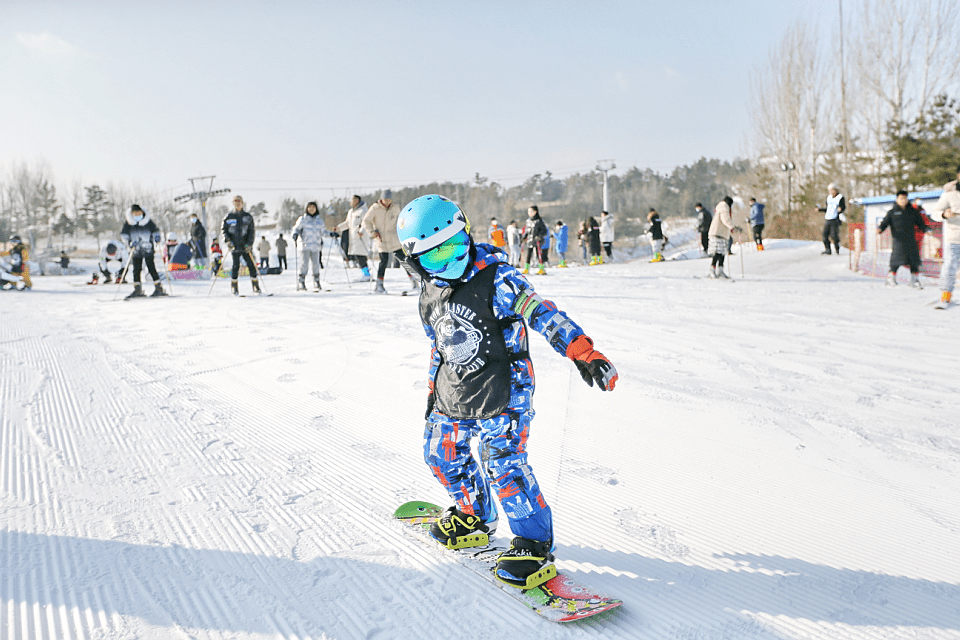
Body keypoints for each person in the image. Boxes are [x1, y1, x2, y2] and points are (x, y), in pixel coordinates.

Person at [395, 194, 618, 590]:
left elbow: (542, 312)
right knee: (439, 453)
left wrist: (581, 351)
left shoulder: (498, 277)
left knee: (503, 465)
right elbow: (440, 346)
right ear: (415, 264)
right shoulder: (429, 294)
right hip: (454, 388)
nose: (450, 261)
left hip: (505, 388)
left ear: (467, 234)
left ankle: (533, 543)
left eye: (455, 246)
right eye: (435, 257)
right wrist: (433, 393)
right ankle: (474, 516)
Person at [363, 189, 417, 294]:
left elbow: (401, 220)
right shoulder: (375, 208)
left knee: (404, 260)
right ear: (381, 199)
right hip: (381, 239)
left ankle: (414, 281)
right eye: (385, 200)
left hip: (394, 239)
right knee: (384, 261)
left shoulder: (395, 208)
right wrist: (372, 232)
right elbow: (366, 221)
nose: (387, 202)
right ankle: (379, 285)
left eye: (389, 200)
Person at [879, 189, 928, 288]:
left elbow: (920, 223)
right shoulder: (892, 212)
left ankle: (914, 280)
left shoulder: (913, 212)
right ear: (897, 199)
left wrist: (927, 230)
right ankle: (891, 279)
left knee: (914, 260)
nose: (903, 200)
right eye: (901, 198)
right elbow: (884, 223)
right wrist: (880, 229)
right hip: (898, 240)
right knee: (896, 260)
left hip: (910, 240)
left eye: (904, 198)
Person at [929, 164, 960, 308]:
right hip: (954, 238)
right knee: (949, 267)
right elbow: (934, 214)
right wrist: (944, 214)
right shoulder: (949, 195)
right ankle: (945, 296)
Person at [120, 204, 167, 298]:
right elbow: (124, 235)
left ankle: (159, 288)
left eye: (139, 212)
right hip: (135, 250)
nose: (138, 215)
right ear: (132, 214)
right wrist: (129, 243)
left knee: (151, 268)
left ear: (142, 212)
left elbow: (155, 231)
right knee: (136, 270)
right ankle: (138, 290)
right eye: (135, 213)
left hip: (148, 249)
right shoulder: (128, 223)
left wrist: (157, 237)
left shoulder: (148, 222)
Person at [222, 196, 261, 295]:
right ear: (233, 203)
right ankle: (234, 287)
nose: (237, 204)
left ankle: (255, 285)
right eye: (235, 202)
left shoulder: (247, 216)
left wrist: (249, 244)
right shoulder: (229, 217)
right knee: (235, 266)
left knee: (251, 265)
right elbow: (224, 231)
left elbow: (252, 231)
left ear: (242, 203)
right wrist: (228, 242)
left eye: (239, 202)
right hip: (235, 246)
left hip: (245, 246)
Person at [293, 202, 333, 291]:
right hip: (305, 245)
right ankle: (301, 281)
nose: (311, 209)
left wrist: (331, 234)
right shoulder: (302, 219)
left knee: (316, 264)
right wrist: (295, 234)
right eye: (310, 207)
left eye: (313, 207)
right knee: (304, 264)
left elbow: (323, 232)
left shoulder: (319, 221)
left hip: (316, 246)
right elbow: (296, 228)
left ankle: (316, 281)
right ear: (307, 209)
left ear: (316, 209)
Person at [337, 195, 371, 282]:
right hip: (353, 238)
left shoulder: (363, 210)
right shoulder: (351, 212)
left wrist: (362, 231)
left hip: (361, 237)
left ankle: (367, 274)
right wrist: (338, 228)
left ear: (356, 200)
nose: (350, 202)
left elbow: (366, 223)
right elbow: (348, 223)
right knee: (357, 256)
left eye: (352, 200)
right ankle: (365, 273)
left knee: (361, 256)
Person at [707, 196, 740, 279]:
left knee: (722, 252)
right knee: (717, 252)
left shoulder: (722, 207)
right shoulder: (723, 207)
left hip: (722, 234)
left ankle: (720, 270)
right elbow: (725, 219)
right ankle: (712, 269)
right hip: (717, 233)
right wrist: (732, 227)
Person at [817, 183, 845, 255]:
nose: (830, 192)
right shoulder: (828, 198)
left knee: (834, 236)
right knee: (825, 235)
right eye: (829, 190)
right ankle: (828, 250)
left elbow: (843, 206)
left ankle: (837, 248)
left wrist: (841, 209)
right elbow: (828, 209)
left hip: (835, 219)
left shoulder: (840, 197)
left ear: (835, 190)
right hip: (828, 218)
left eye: (832, 190)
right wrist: (820, 210)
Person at [521, 205, 548, 275]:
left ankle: (541, 269)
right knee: (528, 254)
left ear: (535, 212)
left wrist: (539, 236)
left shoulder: (539, 221)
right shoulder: (528, 221)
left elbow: (544, 230)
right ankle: (526, 268)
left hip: (537, 240)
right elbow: (527, 230)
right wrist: (524, 237)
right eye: (528, 211)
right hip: (530, 240)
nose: (529, 213)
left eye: (531, 211)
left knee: (538, 254)